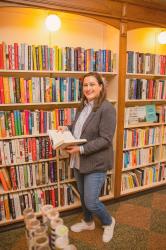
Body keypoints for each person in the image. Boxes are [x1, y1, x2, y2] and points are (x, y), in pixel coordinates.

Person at [59, 72, 116, 243]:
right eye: (85, 85)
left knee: (91, 201)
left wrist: (81, 149)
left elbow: (105, 139)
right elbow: (80, 128)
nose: (88, 88)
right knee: (84, 198)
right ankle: (88, 222)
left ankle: (108, 221)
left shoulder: (107, 108)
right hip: (79, 161)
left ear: (100, 86)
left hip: (95, 162)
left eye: (92, 84)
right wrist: (67, 128)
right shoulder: (84, 105)